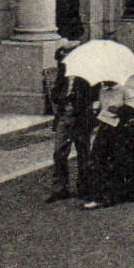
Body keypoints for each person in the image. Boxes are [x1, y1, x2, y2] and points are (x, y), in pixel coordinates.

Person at [82, 83, 134, 209]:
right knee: (98, 158)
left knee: (126, 160)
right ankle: (102, 195)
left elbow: (132, 111)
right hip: (106, 127)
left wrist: (119, 110)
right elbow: (99, 108)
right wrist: (96, 109)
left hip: (122, 129)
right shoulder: (102, 90)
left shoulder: (126, 90)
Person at [46, 49, 97, 203]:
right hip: (64, 115)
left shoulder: (88, 73)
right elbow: (55, 92)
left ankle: (84, 187)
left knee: (83, 152)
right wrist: (61, 97)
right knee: (59, 152)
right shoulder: (63, 70)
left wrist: (80, 100)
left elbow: (93, 95)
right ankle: (60, 188)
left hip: (81, 117)